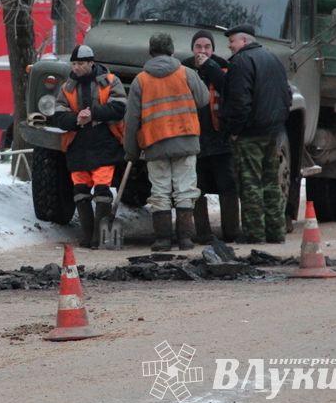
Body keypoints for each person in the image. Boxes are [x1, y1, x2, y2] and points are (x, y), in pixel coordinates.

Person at [199, 24, 291, 244]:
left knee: (250, 184)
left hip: (250, 135)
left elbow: (239, 101)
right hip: (272, 132)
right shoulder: (271, 58)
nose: (230, 46)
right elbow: (286, 95)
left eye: (232, 41)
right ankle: (275, 231)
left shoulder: (241, 62)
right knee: (270, 183)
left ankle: (254, 233)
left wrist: (234, 130)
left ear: (244, 41)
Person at [124, 33, 209, 251]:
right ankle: (185, 239)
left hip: (155, 144)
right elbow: (204, 99)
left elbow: (132, 120)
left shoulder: (140, 80)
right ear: (171, 50)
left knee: (160, 191)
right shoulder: (186, 73)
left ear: (151, 51)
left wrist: (131, 151)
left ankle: (162, 239)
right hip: (185, 140)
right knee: (185, 190)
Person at [53, 44, 126, 248]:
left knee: (103, 190)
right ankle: (88, 237)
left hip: (105, 143)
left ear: (91, 63)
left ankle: (98, 238)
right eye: (74, 63)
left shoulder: (111, 81)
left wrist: (92, 114)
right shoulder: (67, 88)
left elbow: (120, 107)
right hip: (78, 145)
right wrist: (77, 119)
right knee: (80, 192)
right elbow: (58, 117)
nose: (76, 67)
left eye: (81, 63)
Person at [181, 30, 241, 243]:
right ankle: (203, 233)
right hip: (193, 137)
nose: (203, 51)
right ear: (192, 48)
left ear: (213, 49)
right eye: (199, 46)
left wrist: (209, 66)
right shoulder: (184, 68)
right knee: (197, 187)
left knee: (228, 185)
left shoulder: (222, 67)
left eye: (207, 47)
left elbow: (228, 87)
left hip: (220, 137)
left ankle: (232, 231)